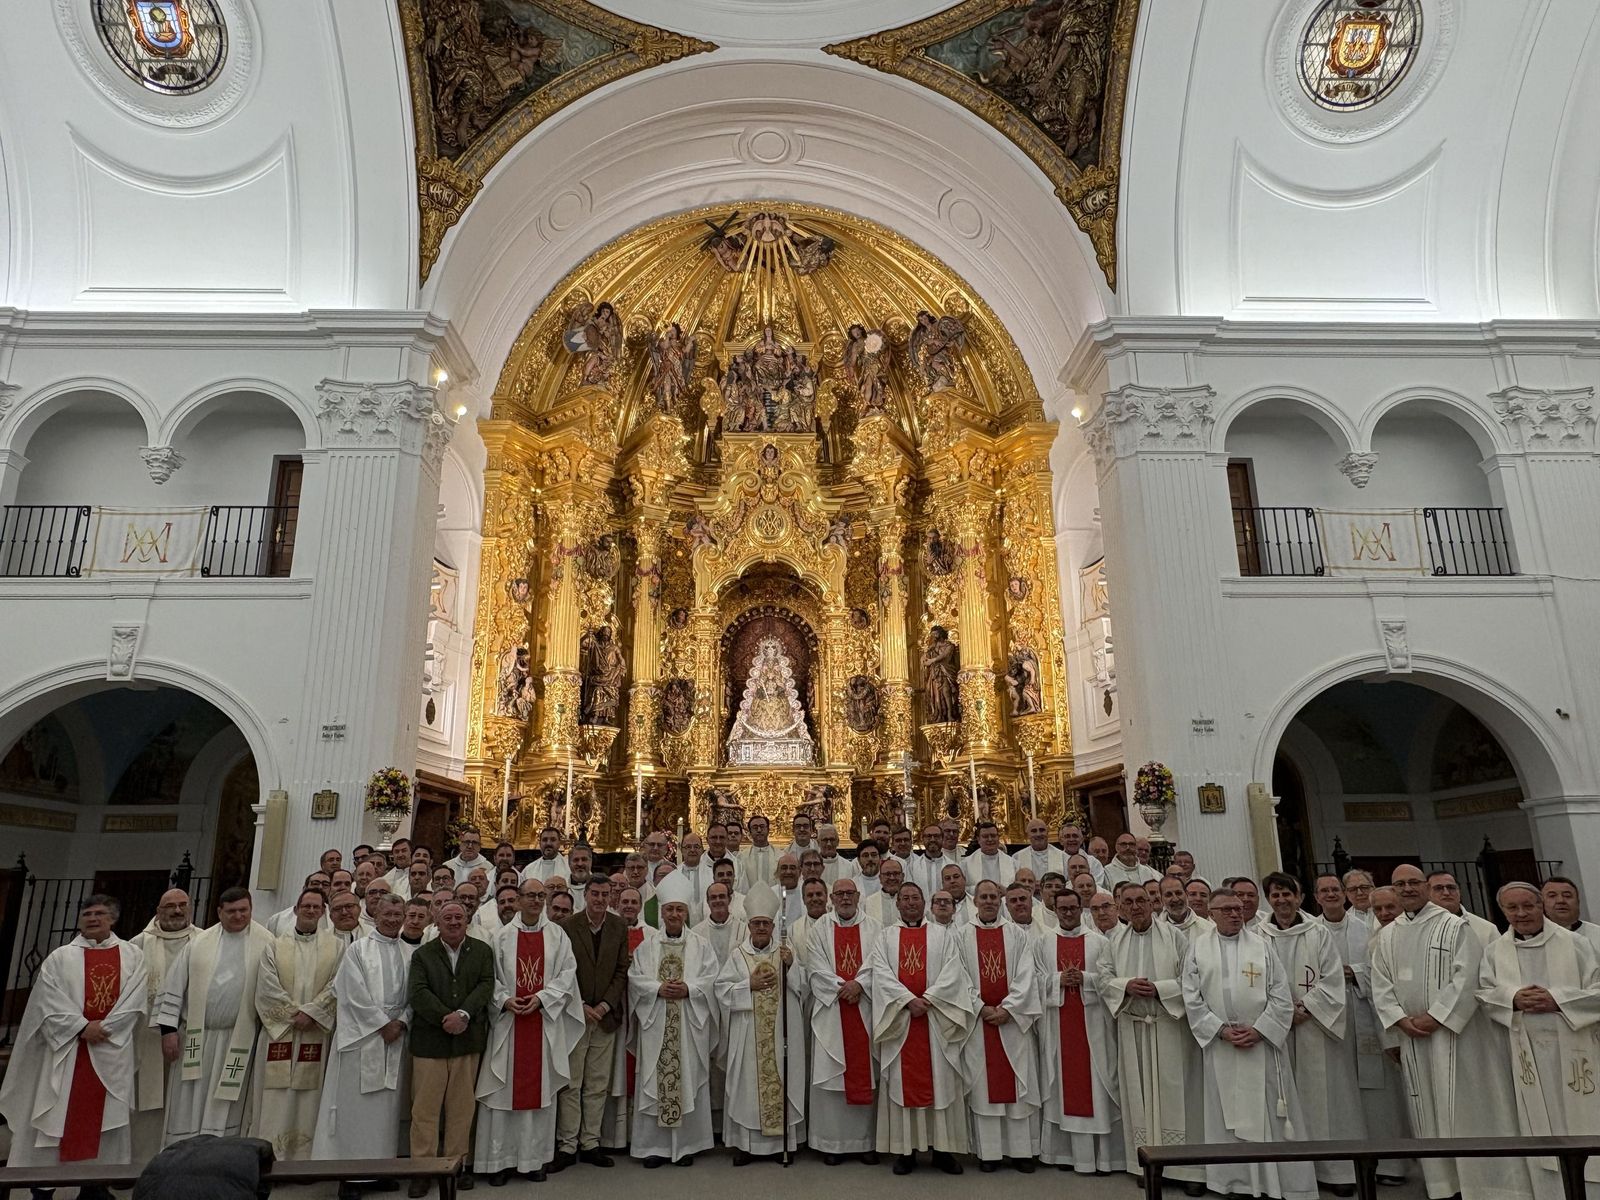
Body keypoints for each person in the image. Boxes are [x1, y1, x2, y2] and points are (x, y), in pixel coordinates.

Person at [1369, 864, 1525, 1200]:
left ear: (1426, 886)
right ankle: (1442, 1185)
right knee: (1426, 1111)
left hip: (1455, 1038)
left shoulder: (1454, 926)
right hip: (1412, 1038)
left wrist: (1436, 1016)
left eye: (1413, 882)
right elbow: (1379, 982)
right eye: (1400, 884)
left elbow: (1468, 978)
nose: (1407, 889)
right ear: (1393, 890)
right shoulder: (1387, 934)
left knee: (1464, 1109)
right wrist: (1399, 1019)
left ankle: (1479, 1185)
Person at [0, 894, 147, 1197]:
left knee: (105, 1122)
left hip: (109, 1050)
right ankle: (44, 1188)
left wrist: (103, 1028)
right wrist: (81, 1027)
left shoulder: (132, 955)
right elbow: (47, 1000)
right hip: (67, 1051)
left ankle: (94, 1188)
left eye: (100, 914)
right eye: (88, 914)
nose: (93, 919)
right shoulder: (60, 957)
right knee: (55, 1121)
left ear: (113, 919)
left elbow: (135, 1001)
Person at [1181, 888, 1317, 1200]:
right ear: (1211, 913)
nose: (1234, 914)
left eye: (1238, 908)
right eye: (1226, 909)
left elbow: (1281, 995)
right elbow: (1192, 996)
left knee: (1268, 1113)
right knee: (1224, 1116)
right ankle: (1234, 1181)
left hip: (1260, 1045)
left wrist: (1260, 1030)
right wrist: (1219, 1030)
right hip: (1222, 1046)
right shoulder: (1198, 947)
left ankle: (1273, 1182)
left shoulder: (1262, 945)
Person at [1480, 881, 1600, 1200]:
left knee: (1584, 1119)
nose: (1521, 914)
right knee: (1539, 1126)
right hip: (1526, 1052)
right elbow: (1485, 993)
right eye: (1512, 908)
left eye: (1528, 906)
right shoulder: (1495, 952)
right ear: (1502, 911)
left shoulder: (1576, 944)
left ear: (1540, 906)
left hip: (1576, 1048)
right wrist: (1514, 998)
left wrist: (1558, 999)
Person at [474, 878, 584, 1186]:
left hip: (542, 1023)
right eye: (530, 895)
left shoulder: (558, 936)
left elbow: (567, 975)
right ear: (519, 899)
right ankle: (497, 1163)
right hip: (509, 1025)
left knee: (539, 1096)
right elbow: (489, 977)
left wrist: (542, 998)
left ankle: (532, 1161)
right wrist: (504, 1000)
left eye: (540, 895)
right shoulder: (501, 937)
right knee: (502, 1093)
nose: (536, 900)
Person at [1096, 879, 1201, 1191]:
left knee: (1178, 1096)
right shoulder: (1113, 941)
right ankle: (1145, 1163)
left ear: (1153, 902)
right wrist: (1125, 986)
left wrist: (1160, 989)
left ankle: (1185, 1170)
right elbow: (1104, 977)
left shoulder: (1176, 938)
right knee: (1138, 1097)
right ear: (1119, 907)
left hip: (1168, 1026)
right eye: (1127, 902)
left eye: (1140, 900)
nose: (1135, 907)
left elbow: (1191, 979)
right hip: (1134, 1028)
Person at [867, 881, 975, 1175]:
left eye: (915, 898)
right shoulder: (885, 937)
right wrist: (906, 1001)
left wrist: (927, 999)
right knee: (904, 1087)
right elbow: (881, 974)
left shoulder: (942, 935)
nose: (911, 903)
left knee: (941, 1085)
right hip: (901, 1023)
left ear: (924, 902)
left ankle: (943, 1151)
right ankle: (907, 1152)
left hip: (935, 1021)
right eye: (905, 898)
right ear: (897, 903)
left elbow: (954, 972)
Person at [155, 887, 273, 1144]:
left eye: (244, 910)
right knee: (189, 1099)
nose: (238, 916)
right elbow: (173, 987)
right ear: (219, 912)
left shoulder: (267, 943)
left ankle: (222, 1153)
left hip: (239, 1039)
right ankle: (182, 1151)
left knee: (229, 1102)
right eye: (231, 911)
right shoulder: (198, 943)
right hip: (196, 1039)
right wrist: (168, 1031)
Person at [311, 894, 411, 1198]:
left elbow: (414, 995)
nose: (393, 919)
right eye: (387, 914)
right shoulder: (358, 950)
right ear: (376, 914)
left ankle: (380, 1170)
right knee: (357, 1111)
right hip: (364, 1038)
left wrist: (403, 1021)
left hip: (395, 1039)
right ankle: (351, 1176)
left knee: (387, 1111)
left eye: (398, 914)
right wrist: (382, 1023)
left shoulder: (409, 952)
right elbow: (351, 993)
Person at [1261, 871, 1353, 1194]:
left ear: (1300, 898)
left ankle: (1334, 1172)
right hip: (1279, 1028)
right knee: (1283, 1100)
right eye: (1275, 895)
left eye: (1288, 894)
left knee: (1325, 1098)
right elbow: (1256, 981)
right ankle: (1292, 1175)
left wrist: (1306, 1008)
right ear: (1268, 899)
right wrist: (1284, 1012)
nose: (1282, 900)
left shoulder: (1318, 932)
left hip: (1313, 1025)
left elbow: (1332, 978)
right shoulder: (1259, 935)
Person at [629, 872, 719, 1166]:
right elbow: (635, 979)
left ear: (686, 913)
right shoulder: (647, 946)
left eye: (680, 909)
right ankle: (654, 1147)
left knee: (688, 1079)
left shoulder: (701, 945)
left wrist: (689, 989)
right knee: (656, 1080)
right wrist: (658, 988)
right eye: (670, 909)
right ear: (662, 912)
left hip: (688, 1023)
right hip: (657, 1022)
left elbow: (710, 979)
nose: (675, 914)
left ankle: (687, 1146)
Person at [407, 899, 495, 1198]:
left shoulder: (482, 951)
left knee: (461, 1109)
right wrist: (446, 1018)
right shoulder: (423, 955)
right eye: (448, 918)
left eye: (459, 917)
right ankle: (423, 1170)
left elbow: (485, 986)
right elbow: (418, 992)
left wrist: (464, 1015)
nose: (454, 922)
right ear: (437, 921)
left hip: (467, 1042)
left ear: (467, 920)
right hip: (430, 1043)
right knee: (424, 1111)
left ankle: (457, 1166)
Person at [717, 881, 807, 1162]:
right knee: (747, 1088)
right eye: (756, 923)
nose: (760, 928)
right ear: (749, 926)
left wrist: (791, 966)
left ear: (771, 926)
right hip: (748, 1036)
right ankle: (747, 1146)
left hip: (781, 1034)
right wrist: (748, 985)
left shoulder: (785, 952)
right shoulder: (737, 955)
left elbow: (803, 986)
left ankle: (785, 1144)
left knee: (781, 1080)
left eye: (765, 924)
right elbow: (722, 990)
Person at [250, 887, 342, 1160]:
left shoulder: (336, 947)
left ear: (323, 912)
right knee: (275, 1095)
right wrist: (295, 1014)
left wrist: (313, 1013)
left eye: (316, 907)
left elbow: (337, 984)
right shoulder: (276, 946)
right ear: (296, 910)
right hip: (281, 1033)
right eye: (306, 906)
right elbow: (266, 987)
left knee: (309, 1098)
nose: (311, 911)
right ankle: (270, 1158)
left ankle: (304, 1159)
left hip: (315, 1032)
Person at [958, 880, 1042, 1172]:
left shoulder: (1017, 935)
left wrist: (1008, 1008)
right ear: (975, 901)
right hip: (979, 1024)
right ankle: (989, 1153)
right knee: (983, 1086)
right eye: (984, 897)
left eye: (994, 896)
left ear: (1002, 900)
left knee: (1018, 1084)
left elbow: (1026, 975)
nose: (989, 901)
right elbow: (958, 978)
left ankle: (1021, 1152)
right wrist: (980, 1008)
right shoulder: (962, 936)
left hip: (1011, 1023)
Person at [1039, 889, 1121, 1174]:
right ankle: (1065, 1155)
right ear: (1055, 909)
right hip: (1059, 1025)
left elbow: (1112, 980)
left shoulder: (1099, 942)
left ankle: (1102, 1158)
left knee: (1096, 1085)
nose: (1068, 913)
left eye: (1073, 907)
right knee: (1061, 1086)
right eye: (1062, 909)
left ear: (1081, 908)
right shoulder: (1044, 942)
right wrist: (1056, 980)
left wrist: (1085, 979)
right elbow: (1034, 980)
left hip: (1094, 1026)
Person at [804, 877, 880, 1164]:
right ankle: (831, 1144)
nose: (845, 898)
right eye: (840, 894)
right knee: (833, 1077)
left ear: (858, 896)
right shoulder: (819, 929)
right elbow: (815, 967)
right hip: (832, 1011)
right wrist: (844, 987)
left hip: (864, 1010)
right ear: (831, 898)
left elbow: (879, 963)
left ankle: (865, 1143)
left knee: (865, 1073)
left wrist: (859, 985)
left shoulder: (874, 928)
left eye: (850, 893)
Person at [557, 875, 631, 1168]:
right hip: (576, 1015)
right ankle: (567, 1145)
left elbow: (621, 970)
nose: (600, 899)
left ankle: (590, 1143)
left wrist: (604, 1005)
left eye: (605, 894)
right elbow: (563, 971)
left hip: (605, 1017)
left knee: (597, 1083)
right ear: (585, 896)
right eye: (595, 894)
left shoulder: (618, 927)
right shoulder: (567, 927)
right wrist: (582, 1005)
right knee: (572, 1083)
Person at [128, 887, 196, 1160]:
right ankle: (139, 1160)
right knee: (145, 1100)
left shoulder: (203, 941)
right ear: (158, 911)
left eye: (182, 905)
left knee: (183, 1099)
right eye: (170, 906)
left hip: (188, 1033)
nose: (177, 911)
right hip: (145, 1036)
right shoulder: (138, 945)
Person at [1429, 871, 1499, 947]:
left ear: (1459, 892)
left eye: (1451, 888)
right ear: (1427, 893)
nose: (1446, 893)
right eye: (1438, 888)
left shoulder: (1486, 929)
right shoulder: (1417, 927)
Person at [1541, 876, 1600, 952]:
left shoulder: (1597, 935)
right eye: (1552, 896)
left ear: (1578, 902)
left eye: (1567, 896)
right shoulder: (1534, 940)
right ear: (1541, 903)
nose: (1561, 900)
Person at [962, 820, 1018, 887]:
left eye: (993, 836)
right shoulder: (965, 864)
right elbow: (964, 889)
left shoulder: (1013, 864)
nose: (990, 839)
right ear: (978, 839)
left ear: (998, 837)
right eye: (985, 836)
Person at [673, 832, 712, 926]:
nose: (692, 850)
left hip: (706, 925)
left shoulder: (712, 874)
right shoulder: (674, 875)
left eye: (696, 846)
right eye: (688, 847)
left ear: (702, 849)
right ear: (681, 849)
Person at [1160, 874, 1210, 941]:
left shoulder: (1208, 929)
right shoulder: (1156, 931)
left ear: (1186, 894)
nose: (1175, 899)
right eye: (1168, 895)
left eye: (1178, 893)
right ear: (1161, 899)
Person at [738, 813, 780, 888]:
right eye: (755, 827)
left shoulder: (780, 855)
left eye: (762, 827)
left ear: (768, 829)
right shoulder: (741, 857)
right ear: (750, 832)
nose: (759, 830)